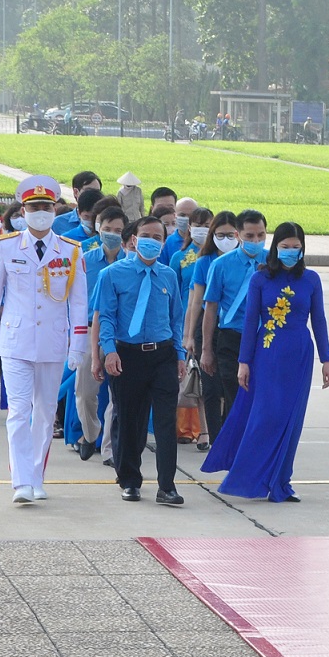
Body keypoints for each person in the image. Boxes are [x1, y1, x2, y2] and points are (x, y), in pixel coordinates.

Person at [0, 174, 90, 505]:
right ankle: (21, 481)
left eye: (46, 207)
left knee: (44, 413)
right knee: (18, 411)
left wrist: (78, 345)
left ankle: (37, 476)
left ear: (54, 210)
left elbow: (79, 303)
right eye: (34, 207)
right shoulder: (6, 245)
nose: (41, 212)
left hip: (53, 343)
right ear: (23, 211)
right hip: (15, 341)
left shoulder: (70, 250)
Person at [201, 221, 329, 502]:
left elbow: (319, 319)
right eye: (285, 247)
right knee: (265, 417)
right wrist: (244, 361)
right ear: (276, 248)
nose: (290, 252)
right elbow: (250, 322)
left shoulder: (311, 279)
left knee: (290, 421)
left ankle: (281, 483)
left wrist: (327, 359)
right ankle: (248, 477)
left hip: (299, 355)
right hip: (267, 354)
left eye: (296, 247)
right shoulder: (261, 279)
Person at [95, 214, 187, 505]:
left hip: (162, 355)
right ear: (134, 240)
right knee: (129, 420)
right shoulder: (112, 274)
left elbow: (176, 319)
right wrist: (109, 351)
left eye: (157, 238)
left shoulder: (168, 275)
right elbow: (106, 317)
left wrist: (180, 355)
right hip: (128, 355)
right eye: (146, 236)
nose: (151, 242)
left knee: (165, 421)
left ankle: (167, 486)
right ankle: (130, 480)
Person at [200, 211, 266, 448]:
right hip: (231, 339)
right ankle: (232, 447)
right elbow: (210, 308)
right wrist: (206, 349)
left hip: (263, 339)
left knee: (260, 398)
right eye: (250, 236)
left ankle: (251, 447)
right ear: (238, 235)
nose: (256, 240)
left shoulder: (273, 262)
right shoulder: (220, 265)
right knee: (235, 395)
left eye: (260, 235)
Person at [75, 207, 126, 463]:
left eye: (118, 231)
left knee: (118, 397)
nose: (112, 235)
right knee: (85, 392)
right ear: (98, 228)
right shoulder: (84, 260)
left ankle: (110, 449)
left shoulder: (131, 262)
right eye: (107, 229)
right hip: (89, 331)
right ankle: (90, 433)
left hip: (120, 335)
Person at [173, 207, 222, 446]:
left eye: (207, 225)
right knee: (199, 379)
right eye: (198, 225)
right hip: (190, 318)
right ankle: (203, 429)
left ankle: (218, 427)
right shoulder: (180, 257)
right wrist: (185, 332)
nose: (202, 230)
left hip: (218, 322)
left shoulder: (220, 257)